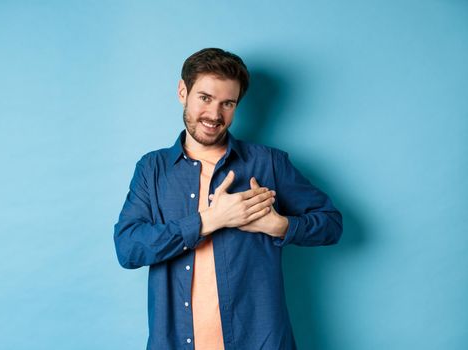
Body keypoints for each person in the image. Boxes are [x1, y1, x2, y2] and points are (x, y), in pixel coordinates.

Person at [114, 48, 343, 350]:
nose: (214, 114)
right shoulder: (152, 169)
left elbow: (331, 224)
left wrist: (280, 226)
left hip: (260, 342)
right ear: (183, 91)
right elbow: (128, 249)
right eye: (205, 98)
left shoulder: (268, 164)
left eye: (228, 103)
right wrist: (211, 219)